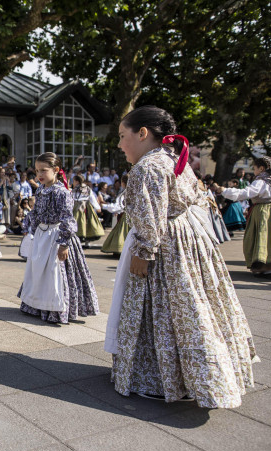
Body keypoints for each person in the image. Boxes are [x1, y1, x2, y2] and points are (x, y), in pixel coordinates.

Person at [107, 106, 256, 407]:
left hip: (165, 246)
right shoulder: (174, 159)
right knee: (192, 306)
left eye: (123, 137)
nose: (120, 144)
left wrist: (145, 252)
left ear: (143, 133)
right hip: (188, 241)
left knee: (162, 308)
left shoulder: (147, 167)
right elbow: (195, 198)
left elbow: (151, 218)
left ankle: (161, 377)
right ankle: (194, 375)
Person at [18, 152, 99, 324]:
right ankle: (37, 305)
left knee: (56, 273)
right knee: (38, 271)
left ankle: (56, 309)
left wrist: (64, 243)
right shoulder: (40, 189)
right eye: (37, 171)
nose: (39, 175)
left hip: (56, 235)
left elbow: (67, 218)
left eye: (43, 171)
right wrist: (31, 228)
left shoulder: (62, 192)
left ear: (55, 170)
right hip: (42, 235)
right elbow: (37, 213)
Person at [215, 156, 271, 276]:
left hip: (262, 211)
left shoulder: (261, 181)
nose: (254, 171)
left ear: (261, 168)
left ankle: (264, 266)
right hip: (267, 211)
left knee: (261, 237)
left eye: (254, 168)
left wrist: (224, 190)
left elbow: (246, 193)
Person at [101, 175, 130, 255]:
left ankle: (120, 250)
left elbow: (118, 207)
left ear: (123, 183)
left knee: (122, 234)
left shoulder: (124, 193)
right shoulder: (135, 191)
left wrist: (104, 206)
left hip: (125, 217)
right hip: (133, 218)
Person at [72, 175, 104, 245]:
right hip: (86, 208)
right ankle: (87, 242)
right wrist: (97, 207)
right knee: (87, 224)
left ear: (77, 181)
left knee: (79, 224)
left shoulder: (74, 190)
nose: (73, 182)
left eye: (73, 181)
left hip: (78, 208)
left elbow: (72, 200)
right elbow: (92, 198)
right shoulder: (87, 189)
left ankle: (81, 241)